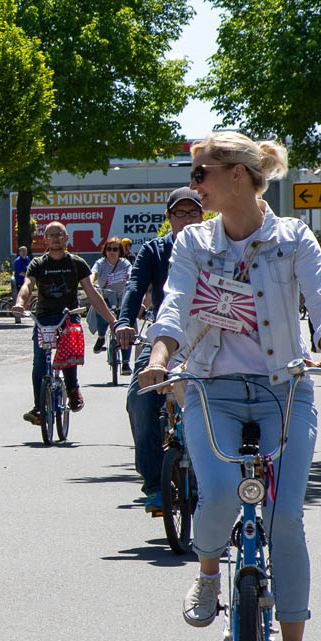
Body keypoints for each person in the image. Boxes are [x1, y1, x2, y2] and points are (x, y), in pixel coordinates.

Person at [136, 132, 321, 641]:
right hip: (212, 387)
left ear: (237, 175)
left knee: (284, 516)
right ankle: (210, 570)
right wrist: (160, 358)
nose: (193, 185)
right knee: (222, 493)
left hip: (285, 387)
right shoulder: (193, 242)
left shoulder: (293, 237)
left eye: (200, 173)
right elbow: (175, 305)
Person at [115, 187, 205, 513]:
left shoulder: (212, 249)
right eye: (179, 213)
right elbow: (135, 287)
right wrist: (124, 322)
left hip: (206, 339)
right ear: (168, 218)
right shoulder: (153, 251)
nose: (186, 219)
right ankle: (154, 483)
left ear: (203, 215)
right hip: (162, 341)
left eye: (193, 212)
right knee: (138, 398)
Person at [13, 221, 116, 422]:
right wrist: (19, 302)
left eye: (59, 234)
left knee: (69, 349)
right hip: (43, 318)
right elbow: (27, 285)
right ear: (45, 240)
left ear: (66, 238)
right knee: (39, 362)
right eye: (51, 235)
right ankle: (39, 407)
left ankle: (72, 388)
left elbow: (92, 293)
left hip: (68, 316)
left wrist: (112, 320)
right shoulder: (38, 264)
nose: (55, 238)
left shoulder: (76, 263)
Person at [90, 237, 132, 369]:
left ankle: (125, 363)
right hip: (106, 297)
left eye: (115, 249)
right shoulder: (101, 263)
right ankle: (101, 337)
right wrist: (90, 283)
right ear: (105, 251)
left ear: (120, 251)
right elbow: (93, 274)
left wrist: (130, 280)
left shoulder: (125, 263)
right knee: (101, 311)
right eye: (109, 249)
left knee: (126, 326)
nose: (112, 252)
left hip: (122, 298)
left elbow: (132, 274)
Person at [10, 242, 31, 324]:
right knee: (20, 297)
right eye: (22, 251)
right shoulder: (17, 261)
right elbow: (20, 272)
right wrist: (29, 275)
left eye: (25, 251)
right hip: (20, 281)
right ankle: (18, 314)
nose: (24, 253)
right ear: (19, 252)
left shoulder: (27, 259)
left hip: (27, 281)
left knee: (29, 295)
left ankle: (24, 309)